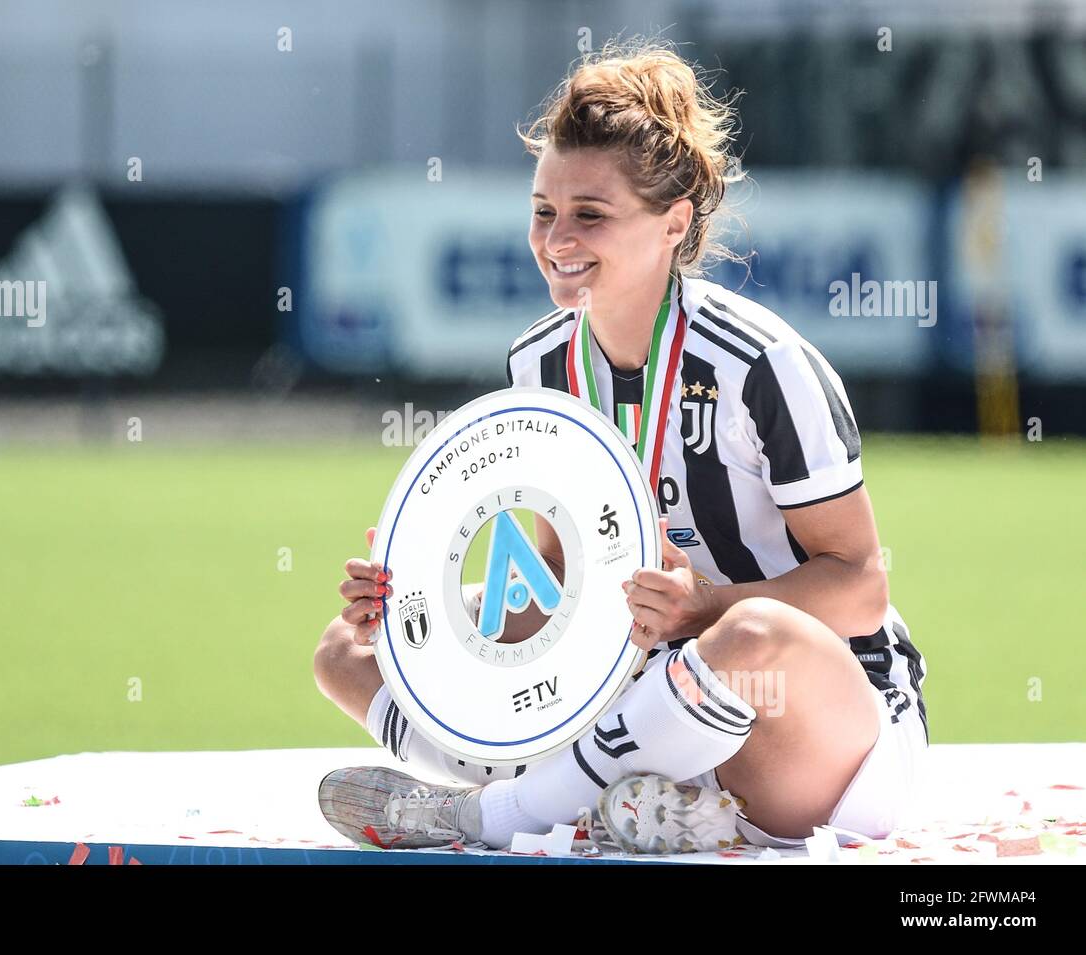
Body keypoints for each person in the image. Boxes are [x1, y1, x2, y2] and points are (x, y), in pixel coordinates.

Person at [312, 39, 927, 853]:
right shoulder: (538, 363)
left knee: (749, 640)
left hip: (814, 731)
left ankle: (497, 813)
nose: (557, 237)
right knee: (349, 649)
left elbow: (861, 591)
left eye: (589, 214)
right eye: (543, 210)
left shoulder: (762, 366)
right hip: (641, 692)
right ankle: (635, 804)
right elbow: (561, 590)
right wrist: (417, 598)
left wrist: (705, 604)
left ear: (674, 223)